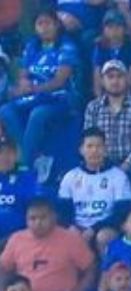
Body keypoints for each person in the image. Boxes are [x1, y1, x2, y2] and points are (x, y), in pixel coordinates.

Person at [1, 10, 79, 183]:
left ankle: (24, 166)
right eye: (40, 24)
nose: (44, 28)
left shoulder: (66, 46)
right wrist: (22, 86)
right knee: (5, 110)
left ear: (57, 25)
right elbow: (23, 74)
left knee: (38, 114)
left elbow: (60, 80)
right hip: (33, 95)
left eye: (47, 23)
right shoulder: (32, 46)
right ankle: (35, 157)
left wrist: (35, 89)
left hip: (59, 97)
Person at [0, 199, 96, 291]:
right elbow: (3, 268)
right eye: (33, 218)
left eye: (43, 218)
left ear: (54, 217)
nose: (38, 222)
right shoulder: (17, 239)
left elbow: (90, 267)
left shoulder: (71, 239)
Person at [83, 60, 131, 201]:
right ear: (102, 81)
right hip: (102, 161)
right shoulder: (93, 107)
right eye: (110, 77)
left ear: (127, 79)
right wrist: (102, 165)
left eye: (119, 76)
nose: (115, 81)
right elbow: (89, 140)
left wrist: (123, 168)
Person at [57, 129, 131, 253]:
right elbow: (63, 211)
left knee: (104, 237)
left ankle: (106, 270)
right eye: (89, 146)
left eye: (99, 146)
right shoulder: (70, 176)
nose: (94, 150)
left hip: (106, 227)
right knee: (70, 236)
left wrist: (93, 228)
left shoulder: (118, 176)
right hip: (77, 227)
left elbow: (122, 212)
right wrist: (73, 227)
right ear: (81, 150)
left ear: (106, 150)